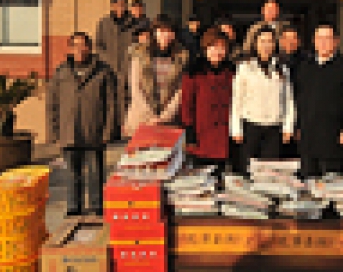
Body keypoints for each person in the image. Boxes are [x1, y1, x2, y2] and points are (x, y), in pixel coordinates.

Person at [47, 32, 117, 217]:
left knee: (96, 172)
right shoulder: (61, 72)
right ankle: (74, 207)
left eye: (83, 45)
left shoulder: (103, 71)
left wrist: (108, 131)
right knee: (72, 172)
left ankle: (97, 205)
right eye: (75, 45)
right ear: (70, 49)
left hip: (94, 131)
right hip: (69, 131)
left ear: (90, 48)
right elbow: (52, 104)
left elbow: (111, 104)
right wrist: (54, 132)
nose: (80, 50)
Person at [296, 22, 343, 179]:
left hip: (335, 135)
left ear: (336, 41)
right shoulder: (305, 67)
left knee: (333, 181)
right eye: (320, 38)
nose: (323, 43)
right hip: (308, 134)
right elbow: (299, 99)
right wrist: (297, 126)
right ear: (314, 41)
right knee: (308, 179)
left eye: (328, 38)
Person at [230, 25, 295, 173]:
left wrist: (288, 126)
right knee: (248, 171)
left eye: (270, 41)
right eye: (262, 41)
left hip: (274, 128)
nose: (266, 45)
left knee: (270, 172)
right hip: (250, 126)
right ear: (255, 44)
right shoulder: (245, 67)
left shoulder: (282, 68)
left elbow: (288, 99)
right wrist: (236, 129)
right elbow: (237, 99)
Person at [181, 28, 237, 178]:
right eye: (213, 47)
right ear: (205, 48)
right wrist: (190, 133)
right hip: (202, 136)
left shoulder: (232, 72)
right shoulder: (194, 72)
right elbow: (187, 105)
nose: (217, 52)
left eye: (222, 47)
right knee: (200, 180)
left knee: (221, 179)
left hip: (224, 136)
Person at [123, 17, 190, 138]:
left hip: (168, 121)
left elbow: (180, 90)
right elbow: (135, 88)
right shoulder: (140, 54)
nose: (166, 35)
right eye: (161, 31)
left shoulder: (181, 57)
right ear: (154, 32)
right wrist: (150, 116)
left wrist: (164, 116)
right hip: (141, 118)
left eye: (170, 31)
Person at [94, 0, 134, 136]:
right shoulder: (104, 23)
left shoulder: (134, 24)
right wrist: (109, 62)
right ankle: (110, 132)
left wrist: (130, 62)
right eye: (117, 5)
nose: (120, 8)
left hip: (128, 69)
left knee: (126, 100)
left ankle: (126, 131)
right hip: (109, 69)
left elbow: (139, 46)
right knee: (109, 101)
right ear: (112, 6)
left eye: (123, 5)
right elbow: (99, 46)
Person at [278, 25, 311, 159]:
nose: (290, 42)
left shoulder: (308, 62)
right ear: (280, 41)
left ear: (299, 41)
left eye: (293, 38)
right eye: (286, 38)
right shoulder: (274, 61)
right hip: (277, 119)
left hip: (301, 117)